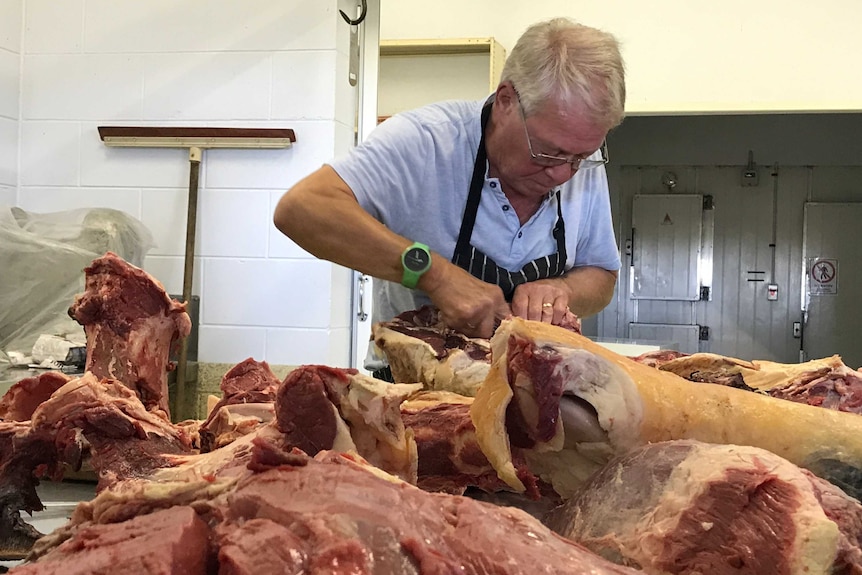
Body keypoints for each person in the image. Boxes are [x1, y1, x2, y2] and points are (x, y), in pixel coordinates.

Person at [274, 17, 625, 352]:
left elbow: (601, 275)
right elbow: (303, 209)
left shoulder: (578, 159)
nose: (564, 173)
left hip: (536, 384)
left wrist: (560, 288)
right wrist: (436, 276)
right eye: (548, 152)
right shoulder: (426, 141)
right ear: (505, 101)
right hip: (421, 392)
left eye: (582, 156)